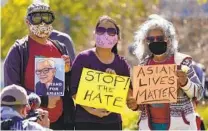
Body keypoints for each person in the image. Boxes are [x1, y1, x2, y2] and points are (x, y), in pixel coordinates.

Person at [4, 2, 75, 130]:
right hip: (30, 122)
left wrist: (68, 71)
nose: (42, 23)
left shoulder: (60, 47)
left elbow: (71, 88)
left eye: (46, 18)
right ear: (27, 21)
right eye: (36, 18)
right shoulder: (18, 51)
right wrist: (45, 100)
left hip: (61, 122)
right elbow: (12, 93)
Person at [127, 14, 204, 130]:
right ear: (146, 42)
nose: (155, 41)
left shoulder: (182, 62)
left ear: (168, 40)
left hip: (180, 126)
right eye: (151, 39)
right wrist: (135, 105)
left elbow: (199, 93)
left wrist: (185, 82)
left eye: (159, 38)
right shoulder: (143, 66)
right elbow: (142, 103)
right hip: (151, 126)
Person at [70, 15, 131, 130]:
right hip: (85, 122)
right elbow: (74, 90)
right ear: (95, 34)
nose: (105, 34)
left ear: (117, 37)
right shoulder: (83, 58)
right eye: (101, 30)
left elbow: (129, 95)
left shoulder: (122, 64)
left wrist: (116, 82)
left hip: (113, 123)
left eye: (111, 31)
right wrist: (92, 110)